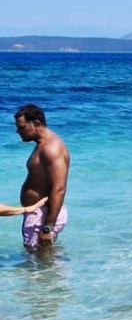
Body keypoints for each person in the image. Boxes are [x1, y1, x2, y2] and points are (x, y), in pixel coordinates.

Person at [15, 104, 70, 252]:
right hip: (39, 214)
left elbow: (59, 188)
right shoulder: (43, 145)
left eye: (22, 127)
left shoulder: (51, 148)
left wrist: (47, 227)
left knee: (38, 259)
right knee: (42, 258)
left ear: (37, 124)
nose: (18, 131)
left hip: (42, 216)